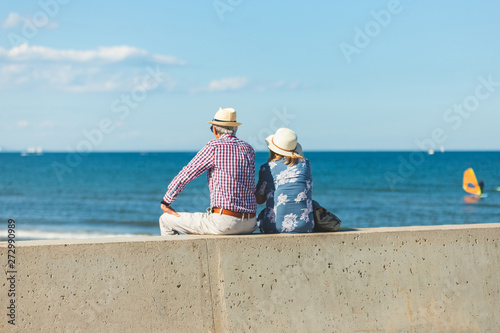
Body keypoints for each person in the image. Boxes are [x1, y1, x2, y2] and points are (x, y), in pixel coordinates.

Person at [159, 107, 257, 235]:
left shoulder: (214, 147)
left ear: (215, 129)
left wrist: (166, 201)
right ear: (235, 129)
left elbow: (187, 174)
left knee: (165, 220)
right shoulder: (248, 149)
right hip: (250, 223)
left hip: (225, 222)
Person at [255, 128, 314, 233]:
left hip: (275, 227)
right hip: (305, 225)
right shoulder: (306, 164)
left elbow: (259, 200)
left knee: (263, 215)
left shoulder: (266, 168)